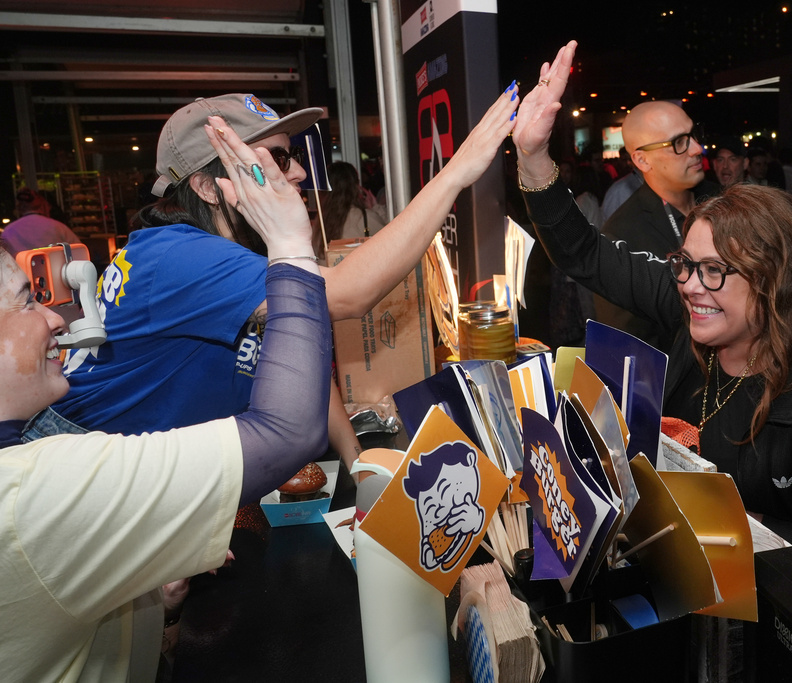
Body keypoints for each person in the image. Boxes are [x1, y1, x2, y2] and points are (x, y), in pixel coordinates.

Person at [0, 119, 333, 681]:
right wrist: (291, 247)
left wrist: (161, 608)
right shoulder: (30, 492)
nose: (54, 317)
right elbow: (288, 431)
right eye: (24, 303)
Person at [25, 88, 518, 466]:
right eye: (277, 159)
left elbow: (295, 341)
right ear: (208, 187)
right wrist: (456, 172)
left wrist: (359, 466)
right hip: (78, 467)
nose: (299, 171)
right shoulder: (181, 257)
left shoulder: (226, 248)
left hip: (127, 468)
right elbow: (348, 294)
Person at [513, 41, 792, 544]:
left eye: (714, 270)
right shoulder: (696, 309)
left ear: (774, 282)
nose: (688, 285)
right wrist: (532, 156)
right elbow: (584, 253)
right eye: (685, 265)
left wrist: (750, 538)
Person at [597, 100, 719, 351]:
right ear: (642, 161)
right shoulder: (621, 235)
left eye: (694, 135)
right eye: (679, 142)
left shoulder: (723, 201)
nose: (697, 148)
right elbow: (630, 346)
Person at [316, 160, 387, 255]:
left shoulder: (320, 221)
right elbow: (392, 241)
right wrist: (376, 208)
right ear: (354, 186)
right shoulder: (364, 218)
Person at [2, 187, 82, 253]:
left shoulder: (9, 231)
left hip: (20, 271)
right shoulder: (57, 227)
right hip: (54, 271)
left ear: (19, 207)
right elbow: (79, 251)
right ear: (44, 204)